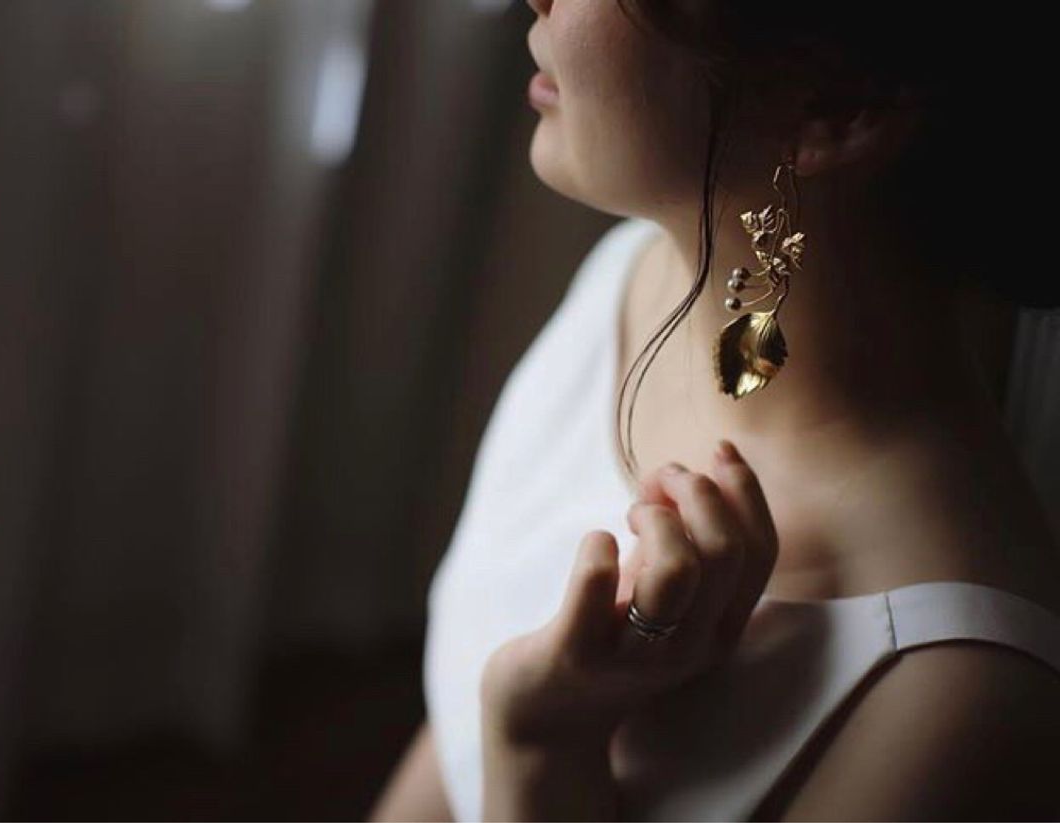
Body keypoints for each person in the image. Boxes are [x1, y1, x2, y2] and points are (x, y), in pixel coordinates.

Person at [370, 0, 1060, 819]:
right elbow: (453, 731)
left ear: (835, 105)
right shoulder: (630, 281)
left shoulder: (953, 702)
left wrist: (540, 751)